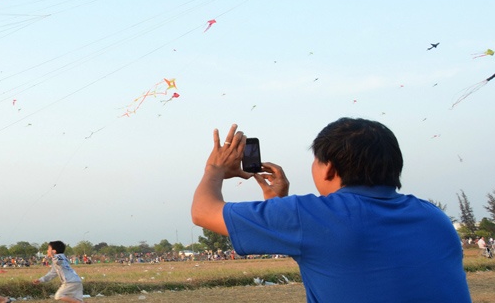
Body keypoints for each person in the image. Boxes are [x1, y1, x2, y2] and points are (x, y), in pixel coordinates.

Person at [190, 117, 470, 303]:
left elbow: (203, 212)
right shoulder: (434, 217)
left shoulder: (311, 215)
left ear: (330, 169)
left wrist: (214, 168)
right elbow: (338, 260)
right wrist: (277, 203)